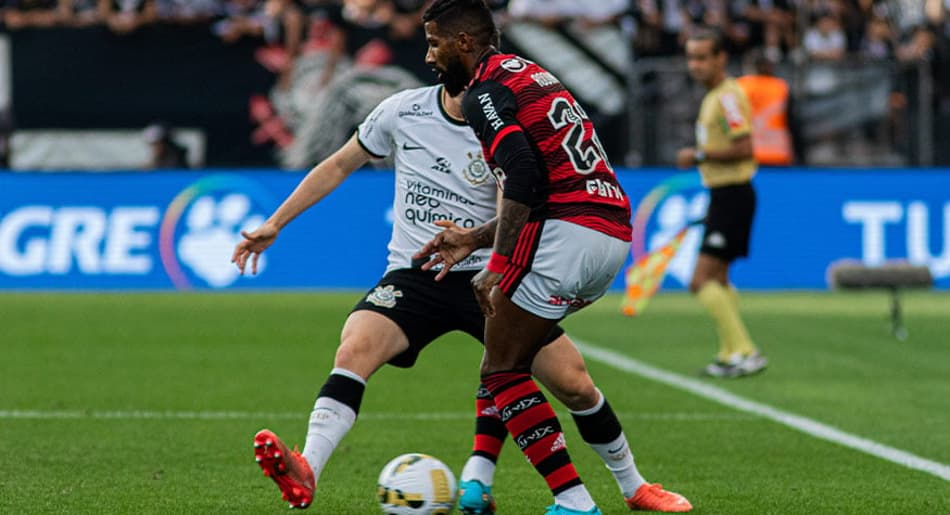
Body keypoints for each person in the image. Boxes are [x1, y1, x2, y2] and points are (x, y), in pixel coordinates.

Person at [233, 86, 691, 512]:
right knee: (354, 346)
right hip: (418, 273)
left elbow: (511, 194)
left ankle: (633, 487)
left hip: (488, 274)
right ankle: (308, 467)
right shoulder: (401, 110)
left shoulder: (500, 121)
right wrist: (276, 222)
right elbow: (338, 164)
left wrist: (490, 253)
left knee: (573, 383)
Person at [415, 1, 690, 513]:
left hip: (565, 235)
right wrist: (474, 239)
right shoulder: (532, 74)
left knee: (501, 371)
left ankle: (575, 501)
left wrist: (495, 265)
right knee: (531, 365)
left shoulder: (484, 95)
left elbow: (523, 176)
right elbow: (546, 177)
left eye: (435, 42)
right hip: (610, 236)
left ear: (465, 43)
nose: (429, 56)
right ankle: (631, 487)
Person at [675, 29, 767, 378]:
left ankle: (745, 350)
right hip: (725, 194)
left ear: (720, 59)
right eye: (690, 57)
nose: (694, 65)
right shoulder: (715, 96)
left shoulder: (728, 97)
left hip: (732, 193)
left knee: (700, 280)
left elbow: (744, 147)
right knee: (721, 279)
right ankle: (731, 352)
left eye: (701, 57)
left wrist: (697, 155)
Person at [736, 52, 794, 167]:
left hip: (747, 154)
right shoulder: (781, 87)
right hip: (778, 154)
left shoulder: (739, 86)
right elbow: (792, 123)